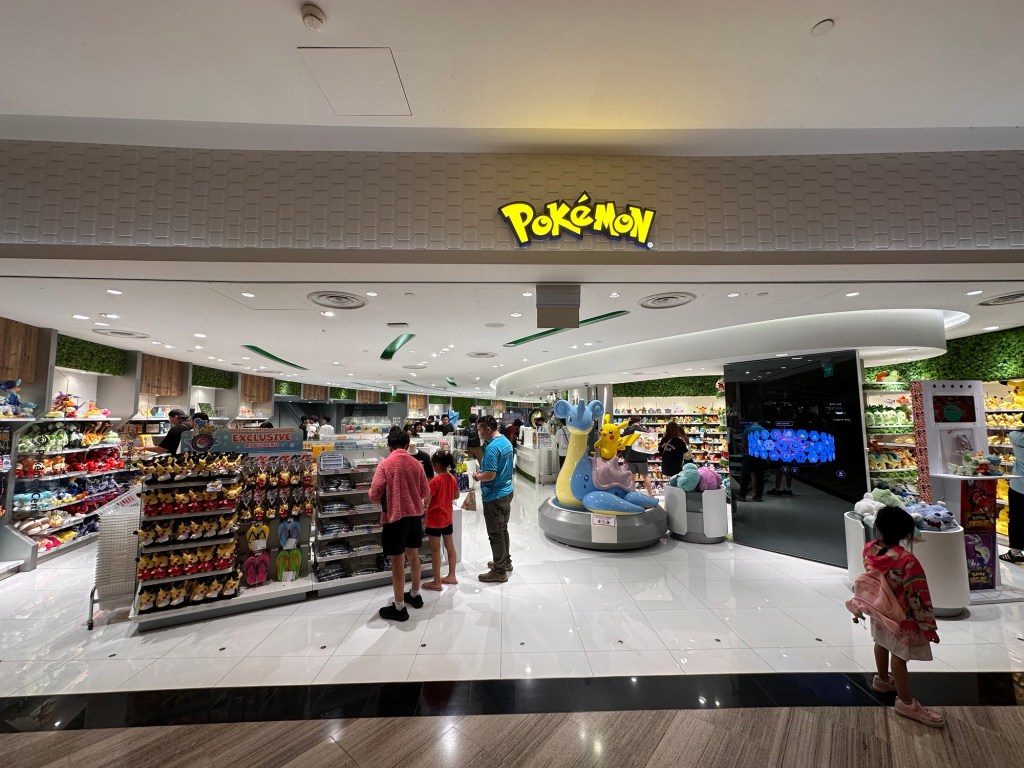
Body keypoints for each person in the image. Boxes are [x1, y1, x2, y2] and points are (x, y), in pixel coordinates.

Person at [863, 505, 944, 728]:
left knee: (881, 642)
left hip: (879, 609)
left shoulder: (870, 550)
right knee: (899, 655)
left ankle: (883, 680)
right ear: (905, 533)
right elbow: (918, 594)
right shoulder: (907, 560)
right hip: (902, 616)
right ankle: (906, 703)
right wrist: (928, 625)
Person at [368, 427, 431, 622]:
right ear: (407, 444)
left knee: (397, 562)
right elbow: (425, 492)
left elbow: (374, 494)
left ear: (389, 446)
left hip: (395, 518)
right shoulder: (416, 463)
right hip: (414, 517)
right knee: (414, 555)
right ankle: (415, 594)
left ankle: (399, 607)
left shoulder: (385, 465)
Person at [474, 415, 515, 583]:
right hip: (506, 492)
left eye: (480, 430)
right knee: (503, 529)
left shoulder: (492, 448)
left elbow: (490, 475)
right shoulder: (506, 442)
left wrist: (477, 476)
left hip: (494, 495)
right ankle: (505, 562)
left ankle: (499, 571)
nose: (479, 433)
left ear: (487, 429)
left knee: (496, 534)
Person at [421, 450, 460, 591]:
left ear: (437, 464)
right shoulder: (451, 478)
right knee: (450, 546)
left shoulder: (435, 481)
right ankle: (452, 576)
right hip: (447, 518)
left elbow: (427, 501)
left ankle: (436, 582)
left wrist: (424, 505)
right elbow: (456, 495)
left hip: (434, 520)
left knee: (435, 551)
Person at [1000, 414, 1024, 564]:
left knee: (1016, 518)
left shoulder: (1014, 436)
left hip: (1018, 485)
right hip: (1017, 485)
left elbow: (1012, 431)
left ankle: (1015, 552)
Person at [621, 416, 653, 495]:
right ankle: (650, 494)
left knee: (632, 479)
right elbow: (648, 444)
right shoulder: (644, 431)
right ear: (639, 421)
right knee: (645, 477)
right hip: (642, 457)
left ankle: (633, 495)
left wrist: (624, 456)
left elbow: (623, 444)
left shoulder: (627, 430)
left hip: (630, 457)